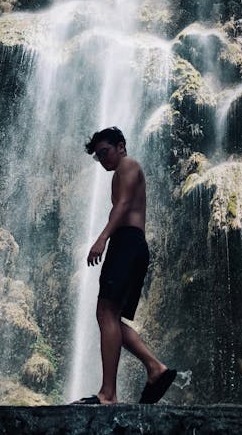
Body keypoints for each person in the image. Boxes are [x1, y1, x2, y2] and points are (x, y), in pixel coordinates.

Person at [73, 126, 176, 405]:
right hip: (130, 245)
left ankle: (108, 394)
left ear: (121, 146)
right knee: (110, 317)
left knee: (105, 313)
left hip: (126, 243)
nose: (103, 160)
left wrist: (101, 239)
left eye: (105, 152)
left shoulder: (128, 165)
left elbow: (124, 205)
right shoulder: (121, 170)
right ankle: (155, 368)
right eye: (98, 157)